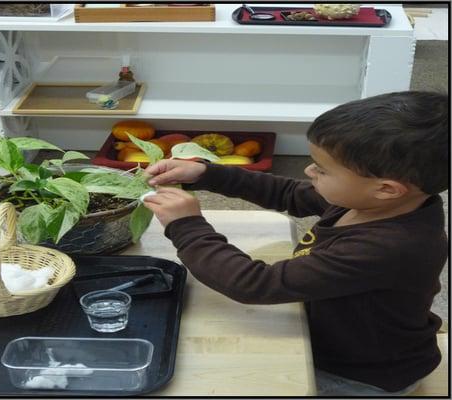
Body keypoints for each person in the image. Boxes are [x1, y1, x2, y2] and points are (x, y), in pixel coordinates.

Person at [142, 91, 448, 396]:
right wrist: (206, 173)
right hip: (337, 339)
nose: (308, 171)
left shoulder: (387, 248)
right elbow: (287, 192)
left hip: (361, 375)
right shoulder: (369, 201)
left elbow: (255, 284)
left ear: (386, 189)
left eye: (321, 169)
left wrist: (187, 226)